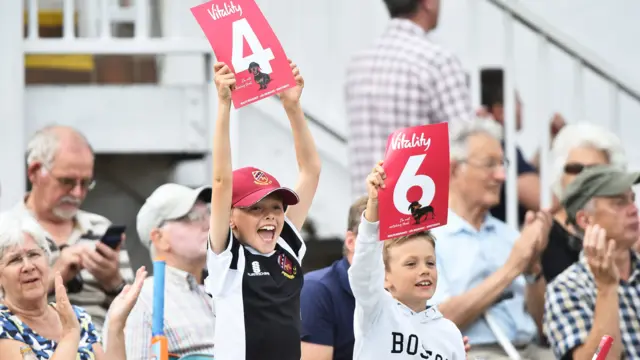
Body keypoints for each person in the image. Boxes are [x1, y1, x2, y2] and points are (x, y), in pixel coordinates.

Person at [206, 59, 321, 360]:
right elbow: (220, 181)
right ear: (230, 218)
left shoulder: (288, 246)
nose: (270, 215)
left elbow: (310, 171)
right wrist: (223, 104)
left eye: (276, 207)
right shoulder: (227, 259)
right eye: (255, 208)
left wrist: (292, 106)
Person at [429, 119, 554, 359]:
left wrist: (532, 268)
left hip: (531, 349)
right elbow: (437, 322)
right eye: (490, 165)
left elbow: (543, 325)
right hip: (475, 351)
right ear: (454, 169)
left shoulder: (508, 235)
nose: (501, 176)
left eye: (502, 164)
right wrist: (512, 268)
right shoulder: (430, 239)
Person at [4, 125, 133, 331]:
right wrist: (56, 275)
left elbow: (135, 317)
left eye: (86, 183)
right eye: (67, 181)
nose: (77, 192)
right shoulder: (6, 231)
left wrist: (113, 282)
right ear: (35, 172)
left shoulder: (100, 228)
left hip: (99, 343)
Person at [346, 0, 471, 200]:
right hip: (415, 214)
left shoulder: (358, 64)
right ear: (428, 3)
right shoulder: (438, 60)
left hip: (363, 214)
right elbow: (466, 146)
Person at [347, 161, 465, 360]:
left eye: (430, 263)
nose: (424, 270)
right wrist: (374, 207)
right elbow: (363, 270)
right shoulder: (375, 311)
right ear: (385, 277)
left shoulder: (450, 333)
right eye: (411, 264)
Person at [0, 213, 146, 360]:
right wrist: (70, 334)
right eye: (15, 260)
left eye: (33, 254)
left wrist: (116, 325)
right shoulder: (4, 325)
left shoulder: (77, 316)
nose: (28, 266)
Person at [103, 183, 215, 359]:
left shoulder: (224, 288)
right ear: (159, 238)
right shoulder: (141, 300)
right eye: (193, 217)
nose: (208, 224)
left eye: (208, 213)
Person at [544, 165, 640, 359]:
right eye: (619, 203)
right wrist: (606, 288)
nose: (633, 209)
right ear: (585, 220)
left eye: (632, 199)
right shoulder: (566, 288)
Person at [540, 123, 627, 282]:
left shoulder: (627, 233)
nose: (584, 178)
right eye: (575, 169)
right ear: (560, 175)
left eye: (596, 171)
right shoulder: (543, 235)